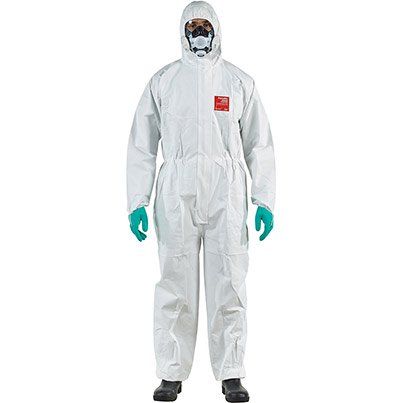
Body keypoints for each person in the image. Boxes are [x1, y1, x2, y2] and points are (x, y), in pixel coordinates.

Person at [127, 2, 275, 401]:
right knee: (175, 283)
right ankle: (171, 372)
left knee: (229, 280)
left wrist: (264, 198)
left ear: (216, 30)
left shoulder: (238, 82)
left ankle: (231, 372)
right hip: (176, 195)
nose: (198, 33)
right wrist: (137, 200)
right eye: (192, 26)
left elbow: (259, 143)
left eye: (204, 26)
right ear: (182, 31)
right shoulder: (164, 82)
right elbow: (142, 143)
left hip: (227, 196)